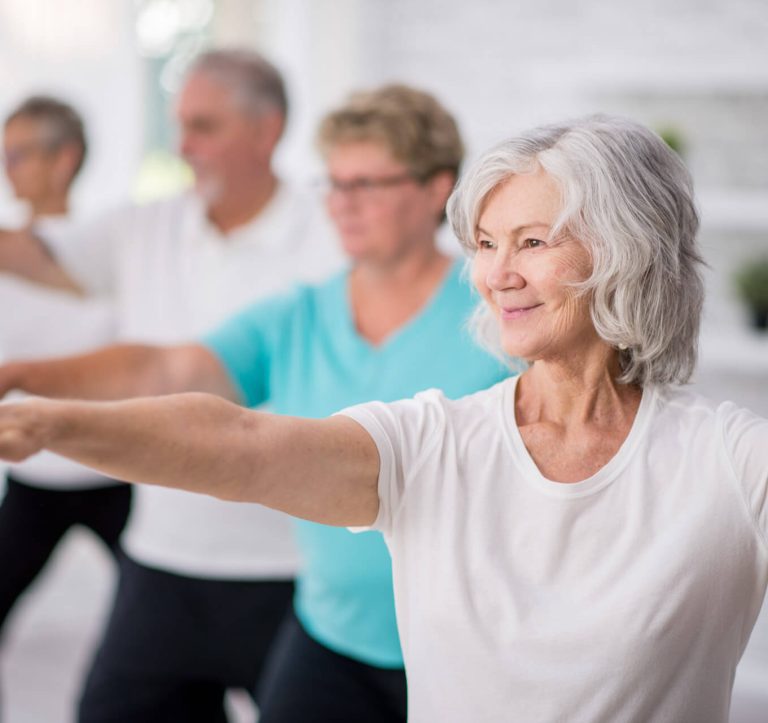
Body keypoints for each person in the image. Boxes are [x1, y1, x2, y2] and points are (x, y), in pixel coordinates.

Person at [1, 114, 766, 723]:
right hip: (324, 638)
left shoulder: (726, 459)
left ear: (626, 252)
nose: (497, 275)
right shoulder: (434, 440)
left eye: (532, 243)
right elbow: (241, 444)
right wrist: (48, 422)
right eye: (488, 245)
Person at [0, 84, 510, 722]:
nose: (343, 206)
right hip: (332, 636)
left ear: (437, 189)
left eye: (368, 185)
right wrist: (19, 380)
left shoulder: (497, 315)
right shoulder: (299, 314)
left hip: (465, 646)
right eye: (335, 184)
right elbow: (168, 366)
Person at [4, 50, 341, 722]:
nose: (183, 145)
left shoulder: (330, 236)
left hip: (289, 569)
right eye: (179, 124)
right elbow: (40, 254)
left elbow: (175, 369)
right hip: (162, 560)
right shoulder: (147, 225)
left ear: (266, 130)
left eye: (203, 126)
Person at [0, 96, 129, 644]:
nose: (8, 167)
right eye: (5, 153)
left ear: (65, 158)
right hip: (34, 472)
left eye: (21, 153)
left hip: (115, 470)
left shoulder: (113, 247)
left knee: (161, 619)